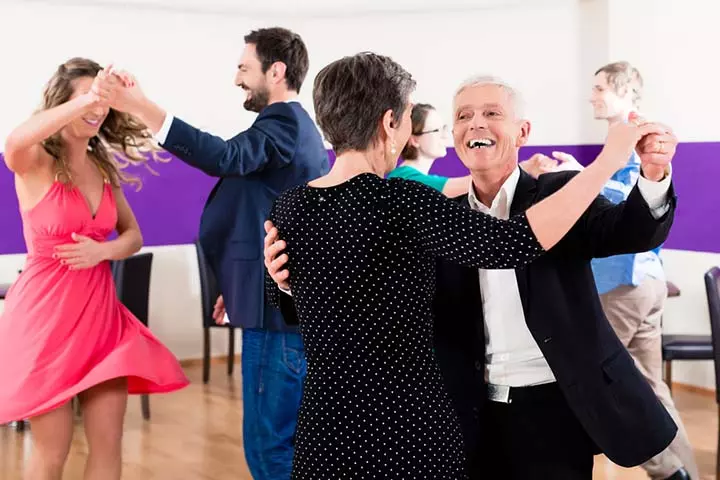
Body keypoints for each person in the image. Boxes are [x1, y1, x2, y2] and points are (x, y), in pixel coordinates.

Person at [261, 52, 670, 479]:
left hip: (331, 430)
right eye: (461, 116)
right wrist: (608, 160)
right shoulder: (413, 204)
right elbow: (513, 243)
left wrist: (285, 285)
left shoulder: (291, 205)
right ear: (390, 124)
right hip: (423, 424)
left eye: (492, 113)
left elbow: (291, 302)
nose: (475, 124)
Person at [107, 27, 329, 479]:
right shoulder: (292, 129)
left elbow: (225, 157)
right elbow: (269, 215)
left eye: (244, 68)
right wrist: (239, 284)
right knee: (281, 444)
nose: (237, 79)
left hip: (276, 318)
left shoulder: (284, 123)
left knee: (269, 449)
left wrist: (142, 108)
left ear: (277, 71)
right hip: (272, 304)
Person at [0, 57, 189, 480]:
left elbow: (133, 236)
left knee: (108, 445)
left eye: (103, 101)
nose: (98, 109)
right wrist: (88, 98)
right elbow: (14, 139)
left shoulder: (102, 169)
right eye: (87, 98)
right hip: (45, 324)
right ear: (62, 102)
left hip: (102, 322)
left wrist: (102, 253)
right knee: (53, 452)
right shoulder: (33, 162)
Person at [522, 62, 696, 480]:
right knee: (651, 388)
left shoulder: (635, 137)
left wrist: (576, 178)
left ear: (623, 90)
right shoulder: (618, 140)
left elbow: (624, 208)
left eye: (599, 88)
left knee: (593, 381)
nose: (592, 96)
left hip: (626, 282)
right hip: (642, 283)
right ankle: (680, 470)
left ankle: (665, 472)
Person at [388, 103, 471, 195]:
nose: (445, 135)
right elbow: (475, 185)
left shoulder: (410, 176)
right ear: (414, 140)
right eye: (436, 130)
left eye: (443, 128)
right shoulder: (405, 178)